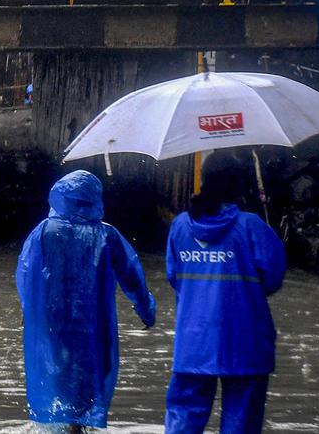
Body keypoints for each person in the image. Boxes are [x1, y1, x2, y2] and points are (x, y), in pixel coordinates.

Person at [16, 170, 156, 431]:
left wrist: (28, 308)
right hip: (92, 322)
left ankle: (67, 424)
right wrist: (146, 311)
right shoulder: (107, 235)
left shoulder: (45, 231)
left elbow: (26, 272)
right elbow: (131, 276)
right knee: (89, 376)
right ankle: (76, 427)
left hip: (53, 320)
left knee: (59, 369)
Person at [164, 150, 287, 434]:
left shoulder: (181, 225)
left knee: (182, 422)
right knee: (241, 424)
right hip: (245, 341)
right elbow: (273, 279)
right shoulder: (252, 226)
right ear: (239, 184)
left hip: (193, 342)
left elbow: (174, 277)